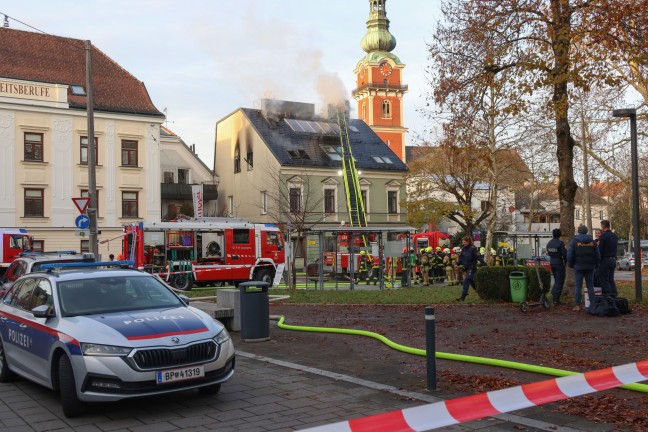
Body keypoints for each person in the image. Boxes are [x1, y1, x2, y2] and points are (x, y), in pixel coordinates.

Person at [567, 225, 600, 312]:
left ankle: (577, 305)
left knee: (578, 286)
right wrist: (596, 264)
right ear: (586, 231)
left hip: (578, 266)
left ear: (578, 231)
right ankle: (592, 305)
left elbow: (570, 254)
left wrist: (570, 264)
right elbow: (598, 255)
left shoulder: (574, 241)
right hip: (590, 266)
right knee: (590, 286)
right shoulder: (592, 241)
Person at [456, 236, 487, 301]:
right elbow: (461, 258)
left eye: (465, 242)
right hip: (466, 267)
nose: (463, 243)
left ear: (468, 241)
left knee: (467, 280)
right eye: (463, 242)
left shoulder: (473, 248)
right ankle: (481, 294)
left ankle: (463, 296)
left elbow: (479, 257)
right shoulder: (463, 249)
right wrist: (457, 264)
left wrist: (484, 264)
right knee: (472, 282)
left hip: (472, 267)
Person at [546, 228, 567, 306]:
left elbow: (548, 252)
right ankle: (556, 299)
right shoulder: (560, 243)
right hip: (559, 263)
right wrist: (566, 261)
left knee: (556, 280)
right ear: (560, 234)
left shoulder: (549, 243)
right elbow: (564, 253)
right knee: (559, 281)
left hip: (552, 263)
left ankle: (555, 295)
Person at [597, 220, 618, 297]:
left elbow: (600, 250)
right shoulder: (614, 235)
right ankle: (614, 294)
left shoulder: (603, 236)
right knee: (611, 279)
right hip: (613, 259)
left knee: (604, 279)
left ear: (603, 226)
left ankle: (608, 296)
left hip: (605, 260)